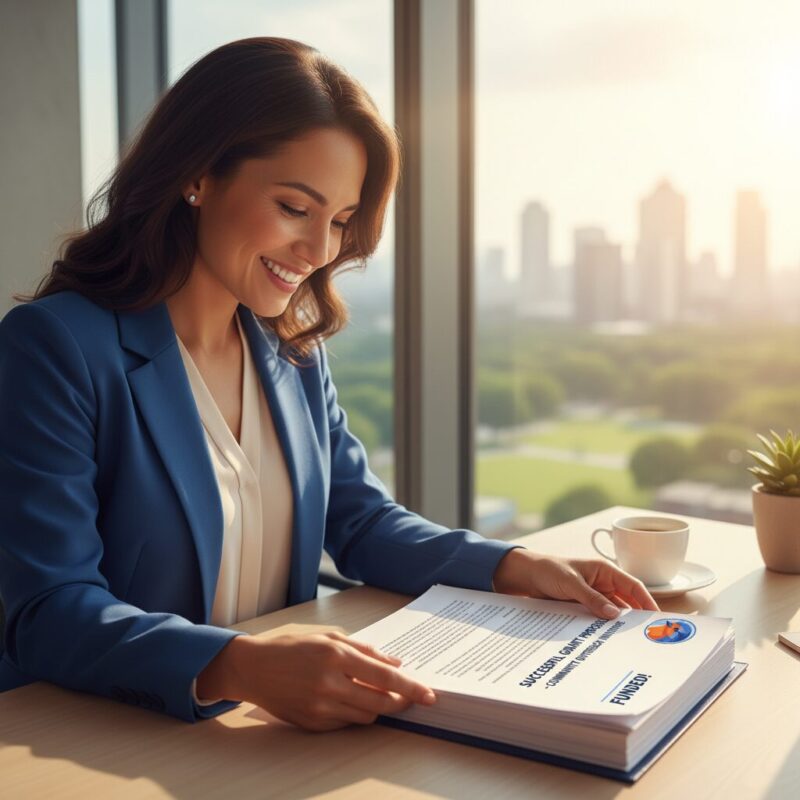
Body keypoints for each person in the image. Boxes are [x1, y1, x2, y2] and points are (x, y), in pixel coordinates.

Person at [0, 37, 657, 731]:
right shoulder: (56, 347)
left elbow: (362, 522)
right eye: (294, 207)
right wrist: (237, 664)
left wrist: (516, 566)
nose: (319, 251)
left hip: (261, 737)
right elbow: (48, 608)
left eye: (340, 221)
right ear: (197, 176)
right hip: (102, 739)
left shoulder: (292, 356)